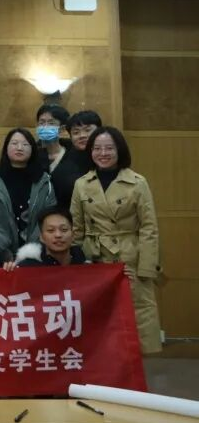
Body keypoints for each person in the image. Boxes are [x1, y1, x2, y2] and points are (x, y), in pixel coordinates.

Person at [71, 126, 161, 354]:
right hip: (95, 259)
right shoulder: (82, 184)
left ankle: (135, 371)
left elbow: (149, 227)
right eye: (97, 148)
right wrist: (77, 264)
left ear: (119, 150)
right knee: (100, 318)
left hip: (129, 257)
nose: (103, 153)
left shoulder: (137, 182)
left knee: (136, 315)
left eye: (109, 148)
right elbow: (77, 228)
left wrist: (146, 268)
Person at [0, 128, 56, 260]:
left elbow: (49, 217)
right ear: (6, 148)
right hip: (0, 255)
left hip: (37, 255)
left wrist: (32, 251)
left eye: (25, 144)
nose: (19, 148)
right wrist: (3, 251)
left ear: (32, 149)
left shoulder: (44, 181)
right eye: (14, 143)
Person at [15, 207, 88, 267]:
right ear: (41, 236)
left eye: (64, 230)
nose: (58, 235)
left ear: (73, 234)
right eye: (51, 230)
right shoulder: (28, 268)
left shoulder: (84, 265)